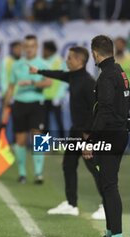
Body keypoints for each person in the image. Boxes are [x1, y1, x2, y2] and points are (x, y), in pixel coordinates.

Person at [30, 46, 105, 220]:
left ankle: (106, 205)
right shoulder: (73, 77)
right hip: (75, 130)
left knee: (94, 167)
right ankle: (71, 205)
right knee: (68, 165)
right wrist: (39, 71)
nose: (66, 60)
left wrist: (89, 136)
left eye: (70, 58)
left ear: (80, 61)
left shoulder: (88, 83)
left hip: (87, 133)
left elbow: (96, 111)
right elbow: (59, 74)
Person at [83, 35, 130, 237]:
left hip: (109, 136)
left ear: (95, 53)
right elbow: (129, 101)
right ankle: (111, 235)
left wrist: (90, 141)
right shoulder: (120, 72)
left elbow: (103, 111)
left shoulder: (105, 77)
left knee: (109, 186)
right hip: (120, 134)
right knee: (107, 183)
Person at [2, 34, 51, 184]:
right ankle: (22, 173)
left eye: (32, 46)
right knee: (20, 140)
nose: (29, 49)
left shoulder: (42, 63)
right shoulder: (17, 65)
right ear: (23, 48)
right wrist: (5, 108)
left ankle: (38, 173)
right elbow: (10, 87)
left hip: (37, 103)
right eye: (27, 46)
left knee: (39, 137)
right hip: (19, 103)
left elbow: (49, 82)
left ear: (36, 47)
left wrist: (32, 82)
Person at [42, 40, 67, 138]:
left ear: (49, 50)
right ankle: (42, 147)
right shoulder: (42, 61)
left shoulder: (59, 61)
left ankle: (62, 145)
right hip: (44, 97)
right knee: (43, 123)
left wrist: (59, 96)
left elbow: (64, 80)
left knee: (59, 122)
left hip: (56, 98)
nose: (43, 52)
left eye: (44, 49)